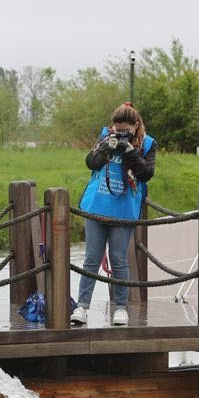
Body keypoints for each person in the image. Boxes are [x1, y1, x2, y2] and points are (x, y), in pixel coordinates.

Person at [71, 102, 157, 327]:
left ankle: (120, 308)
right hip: (97, 206)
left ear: (135, 126)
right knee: (91, 258)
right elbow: (91, 163)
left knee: (119, 259)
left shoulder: (147, 144)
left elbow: (147, 174)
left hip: (123, 210)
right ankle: (82, 306)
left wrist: (130, 152)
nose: (120, 134)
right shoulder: (105, 137)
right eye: (117, 130)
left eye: (125, 131)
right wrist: (104, 149)